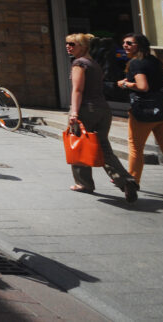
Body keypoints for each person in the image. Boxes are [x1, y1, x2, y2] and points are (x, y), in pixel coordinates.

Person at [118, 34, 163, 206]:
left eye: (129, 43)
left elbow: (143, 87)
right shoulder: (156, 62)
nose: (125, 45)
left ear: (139, 45)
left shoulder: (136, 63)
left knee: (136, 149)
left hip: (143, 113)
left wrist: (125, 84)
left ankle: (132, 184)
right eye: (123, 43)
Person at [66, 33, 138, 202]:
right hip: (103, 109)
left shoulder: (79, 63)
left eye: (72, 44)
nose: (68, 46)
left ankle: (83, 183)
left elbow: (77, 90)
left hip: (86, 109)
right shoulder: (94, 63)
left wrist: (74, 112)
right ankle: (126, 180)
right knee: (103, 147)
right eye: (67, 44)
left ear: (83, 47)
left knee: (79, 145)